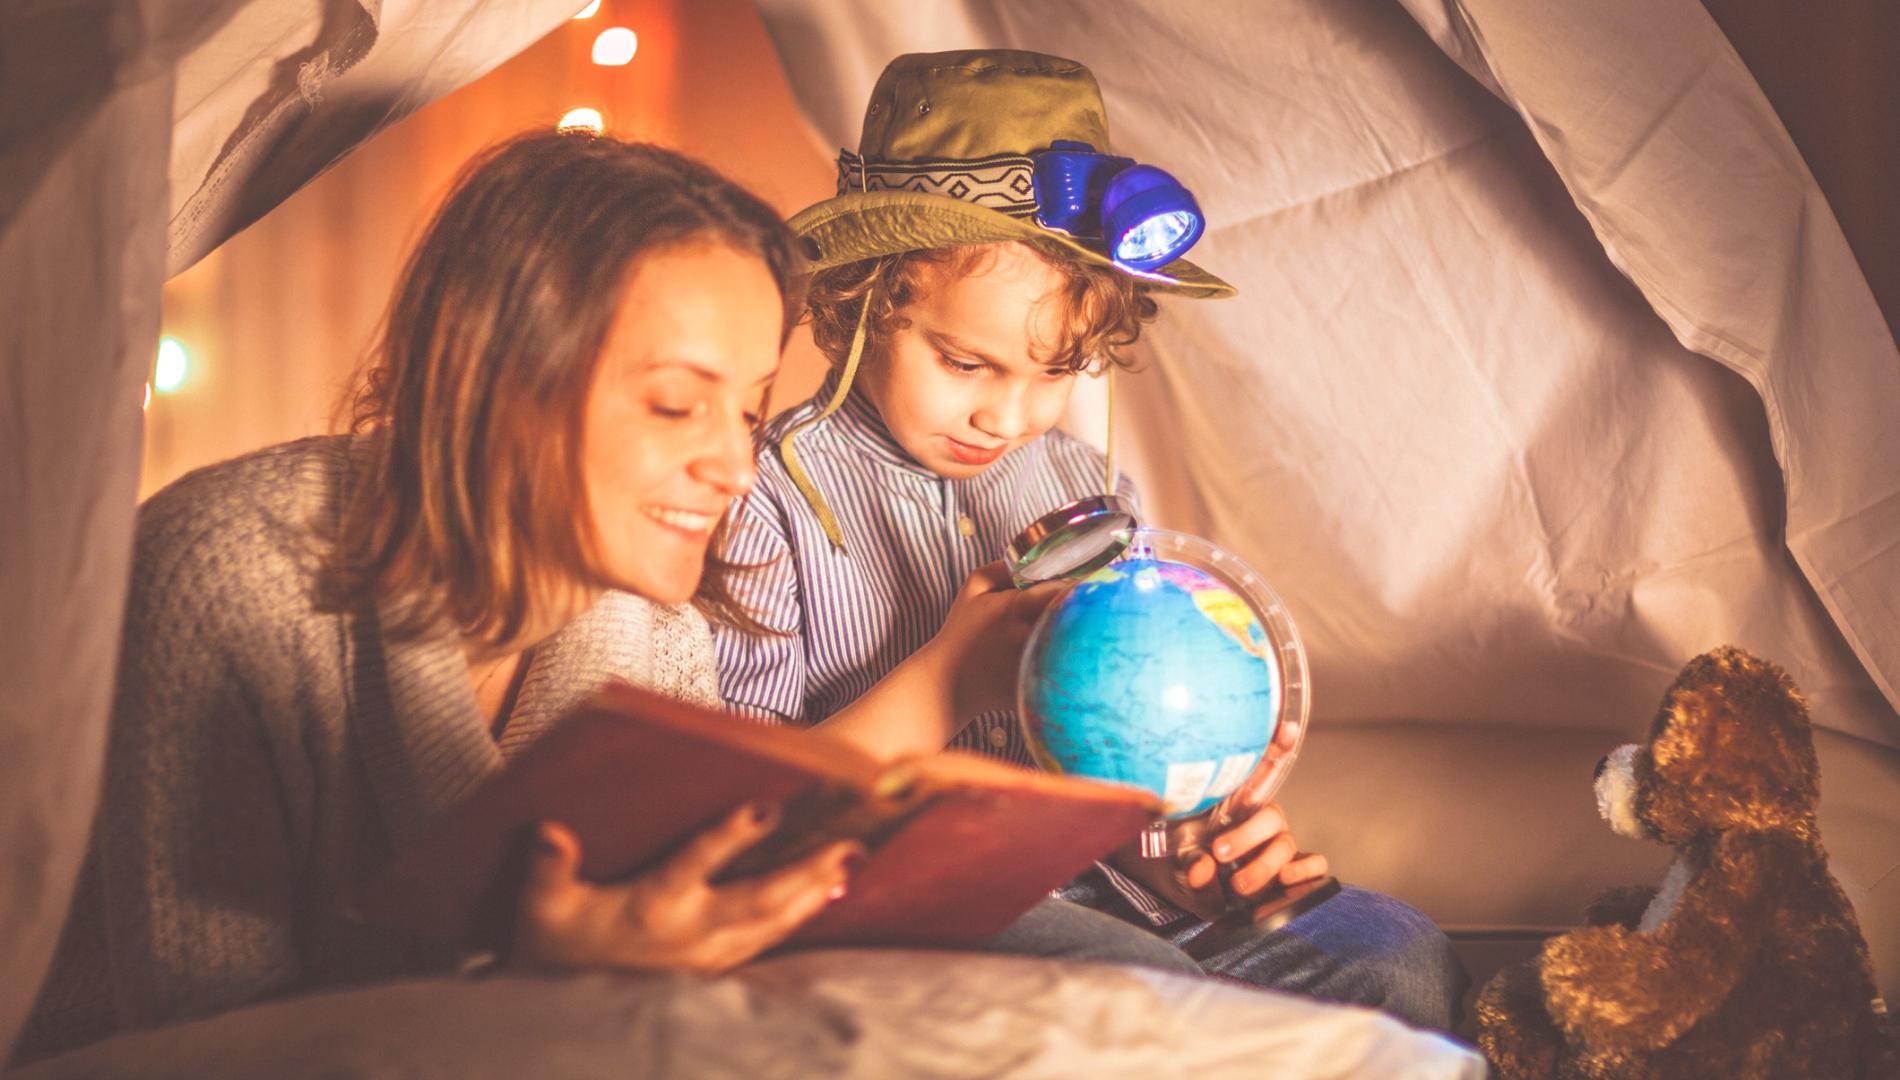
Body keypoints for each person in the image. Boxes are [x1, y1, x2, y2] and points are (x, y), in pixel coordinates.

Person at [14, 131, 1067, 1062]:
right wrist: (533, 985)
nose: (738, 470)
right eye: (672, 405)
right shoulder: (224, 577)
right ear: (498, 380)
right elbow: (209, 1047)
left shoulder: (658, 636)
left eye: (747, 414)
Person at [715, 50, 1466, 1030]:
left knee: (1395, 957)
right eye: (964, 362)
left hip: (1105, 896)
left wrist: (1188, 859)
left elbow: (1106, 779)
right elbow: (746, 816)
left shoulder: (1081, 486)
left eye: (1055, 369)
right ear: (862, 299)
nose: (1008, 417)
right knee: (1127, 983)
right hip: (904, 910)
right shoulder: (764, 493)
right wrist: (950, 677)